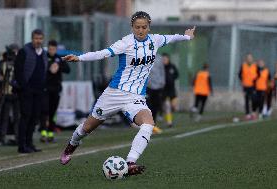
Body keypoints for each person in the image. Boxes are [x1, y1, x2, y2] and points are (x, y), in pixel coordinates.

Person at [60, 11, 195, 176]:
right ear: (132, 27)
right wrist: (80, 58)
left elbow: (172, 37)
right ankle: (71, 145)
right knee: (87, 128)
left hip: (136, 97)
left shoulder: (156, 40)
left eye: (144, 27)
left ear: (149, 27)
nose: (140, 30)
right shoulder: (126, 42)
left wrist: (186, 37)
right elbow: (103, 53)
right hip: (114, 94)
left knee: (148, 124)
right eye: (137, 27)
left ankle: (130, 162)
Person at [14, 29, 48, 153]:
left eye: (40, 39)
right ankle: (22, 145)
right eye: (36, 38)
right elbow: (18, 71)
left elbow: (44, 70)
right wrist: (24, 87)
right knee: (25, 117)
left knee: (34, 118)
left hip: (39, 91)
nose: (38, 41)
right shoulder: (24, 51)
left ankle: (29, 143)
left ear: (43, 39)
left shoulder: (44, 53)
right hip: (26, 90)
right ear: (32, 39)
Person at [40, 40, 70, 143]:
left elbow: (68, 70)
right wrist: (49, 68)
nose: (51, 51)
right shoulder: (43, 57)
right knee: (44, 110)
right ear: (47, 48)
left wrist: (59, 67)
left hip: (56, 89)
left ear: (56, 49)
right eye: (50, 49)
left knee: (53, 112)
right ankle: (43, 132)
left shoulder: (59, 58)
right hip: (45, 89)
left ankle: (50, 133)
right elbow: (39, 68)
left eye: (53, 49)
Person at [0, 44, 20, 145]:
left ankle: (15, 137)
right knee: (8, 117)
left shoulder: (8, 63)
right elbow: (0, 77)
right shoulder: (8, 63)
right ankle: (4, 137)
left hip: (14, 93)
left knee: (14, 117)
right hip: (8, 93)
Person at [146, 54, 165, 133]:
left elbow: (162, 71)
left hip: (157, 86)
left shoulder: (159, 58)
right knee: (148, 106)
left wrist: (162, 82)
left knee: (156, 105)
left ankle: (153, 124)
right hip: (148, 86)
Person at [238, 53, 258, 120]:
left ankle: (253, 112)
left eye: (250, 58)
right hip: (245, 86)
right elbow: (239, 74)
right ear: (246, 59)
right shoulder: (243, 65)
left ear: (252, 59)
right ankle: (247, 114)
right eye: (248, 58)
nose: (249, 59)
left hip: (253, 86)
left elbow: (258, 75)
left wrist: (255, 80)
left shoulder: (255, 65)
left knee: (254, 99)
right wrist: (242, 80)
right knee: (246, 100)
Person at [162, 53, 179, 127]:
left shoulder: (172, 66)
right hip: (164, 89)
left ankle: (166, 114)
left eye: (166, 59)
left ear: (168, 59)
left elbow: (177, 74)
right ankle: (169, 122)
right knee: (167, 105)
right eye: (163, 59)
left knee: (174, 106)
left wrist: (172, 79)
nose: (165, 60)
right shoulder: (160, 67)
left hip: (172, 89)